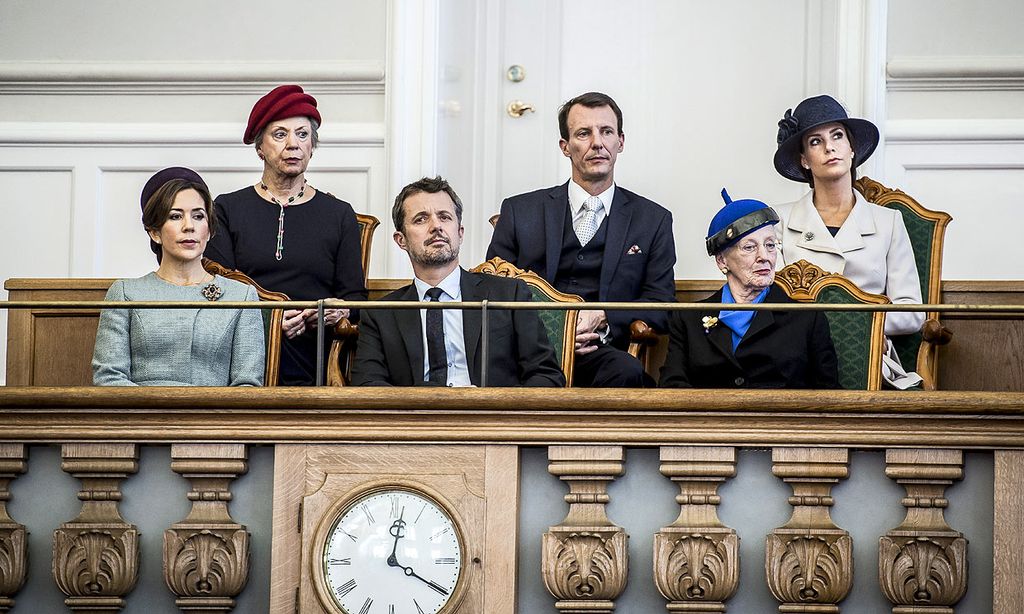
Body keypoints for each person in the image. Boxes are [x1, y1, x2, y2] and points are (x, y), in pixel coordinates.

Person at [487, 91, 676, 387]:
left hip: (601, 352)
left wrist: (603, 315)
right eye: (584, 133)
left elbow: (662, 305)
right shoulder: (519, 211)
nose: (597, 143)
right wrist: (551, 330)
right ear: (565, 146)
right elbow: (492, 291)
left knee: (628, 373)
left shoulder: (653, 219)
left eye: (606, 132)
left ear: (620, 142)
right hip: (528, 352)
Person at [205, 84, 367, 385]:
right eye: (280, 134)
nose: (293, 144)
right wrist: (272, 318)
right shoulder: (227, 208)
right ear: (259, 147)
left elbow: (355, 297)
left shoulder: (338, 213)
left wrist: (338, 309)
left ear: (312, 146)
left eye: (302, 134)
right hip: (244, 351)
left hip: (313, 351)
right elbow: (219, 290)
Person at [352, 176, 564, 387]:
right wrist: (429, 398)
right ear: (401, 240)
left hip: (493, 416)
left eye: (445, 217)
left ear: (460, 233)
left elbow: (546, 375)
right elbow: (367, 385)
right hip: (417, 417)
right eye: (421, 219)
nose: (436, 226)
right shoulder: (380, 314)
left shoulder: (510, 295)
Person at [772, 94, 923, 387]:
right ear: (804, 160)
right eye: (815, 141)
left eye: (837, 136)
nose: (830, 147)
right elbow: (772, 306)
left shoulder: (888, 221)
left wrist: (861, 327)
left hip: (870, 362)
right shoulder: (778, 221)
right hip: (795, 364)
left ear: (852, 148)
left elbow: (912, 312)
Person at [92, 167, 265, 386]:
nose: (189, 226)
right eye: (175, 216)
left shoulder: (241, 296)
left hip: (214, 418)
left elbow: (247, 385)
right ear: (155, 232)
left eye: (198, 216)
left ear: (210, 229)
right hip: (140, 417)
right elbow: (108, 378)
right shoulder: (125, 293)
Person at [659, 191, 838, 389]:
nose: (765, 256)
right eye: (749, 247)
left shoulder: (807, 318)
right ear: (722, 261)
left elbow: (828, 396)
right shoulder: (688, 319)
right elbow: (672, 387)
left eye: (770, 245)